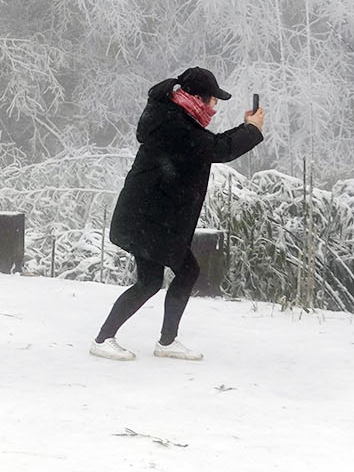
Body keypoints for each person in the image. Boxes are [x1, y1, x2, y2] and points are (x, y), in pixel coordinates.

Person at [93, 67, 264, 362]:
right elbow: (217, 149)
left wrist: (246, 127)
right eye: (213, 100)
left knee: (158, 279)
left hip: (150, 217)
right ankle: (111, 339)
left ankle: (157, 341)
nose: (215, 106)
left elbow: (209, 145)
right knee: (177, 274)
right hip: (147, 219)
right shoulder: (174, 125)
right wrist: (253, 130)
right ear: (198, 98)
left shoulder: (175, 118)